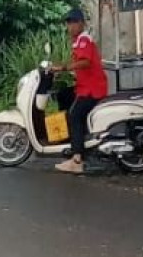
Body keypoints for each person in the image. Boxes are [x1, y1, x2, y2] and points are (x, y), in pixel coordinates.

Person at [55, 7, 108, 174]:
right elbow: (80, 66)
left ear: (81, 23)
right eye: (68, 23)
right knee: (63, 96)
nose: (70, 26)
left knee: (74, 114)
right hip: (85, 86)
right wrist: (60, 71)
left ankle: (77, 159)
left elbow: (85, 62)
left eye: (73, 22)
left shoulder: (84, 40)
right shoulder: (78, 41)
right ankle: (75, 140)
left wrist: (64, 67)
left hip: (91, 89)